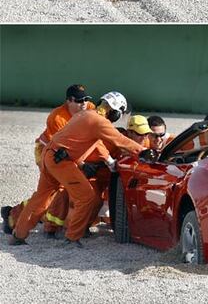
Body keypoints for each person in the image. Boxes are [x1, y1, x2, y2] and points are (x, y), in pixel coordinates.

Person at [9, 91, 144, 247]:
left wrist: (108, 160)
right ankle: (72, 238)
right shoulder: (99, 121)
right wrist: (143, 151)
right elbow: (120, 140)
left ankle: (18, 236)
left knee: (40, 198)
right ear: (114, 111)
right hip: (61, 162)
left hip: (50, 156)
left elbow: (97, 143)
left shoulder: (86, 114)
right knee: (87, 197)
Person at [1, 84, 94, 235]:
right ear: (69, 101)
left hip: (69, 153)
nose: (84, 103)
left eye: (85, 99)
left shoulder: (89, 107)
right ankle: (15, 218)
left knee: (58, 190)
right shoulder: (57, 118)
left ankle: (45, 221)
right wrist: (81, 163)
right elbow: (59, 148)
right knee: (53, 189)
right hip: (48, 150)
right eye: (79, 100)